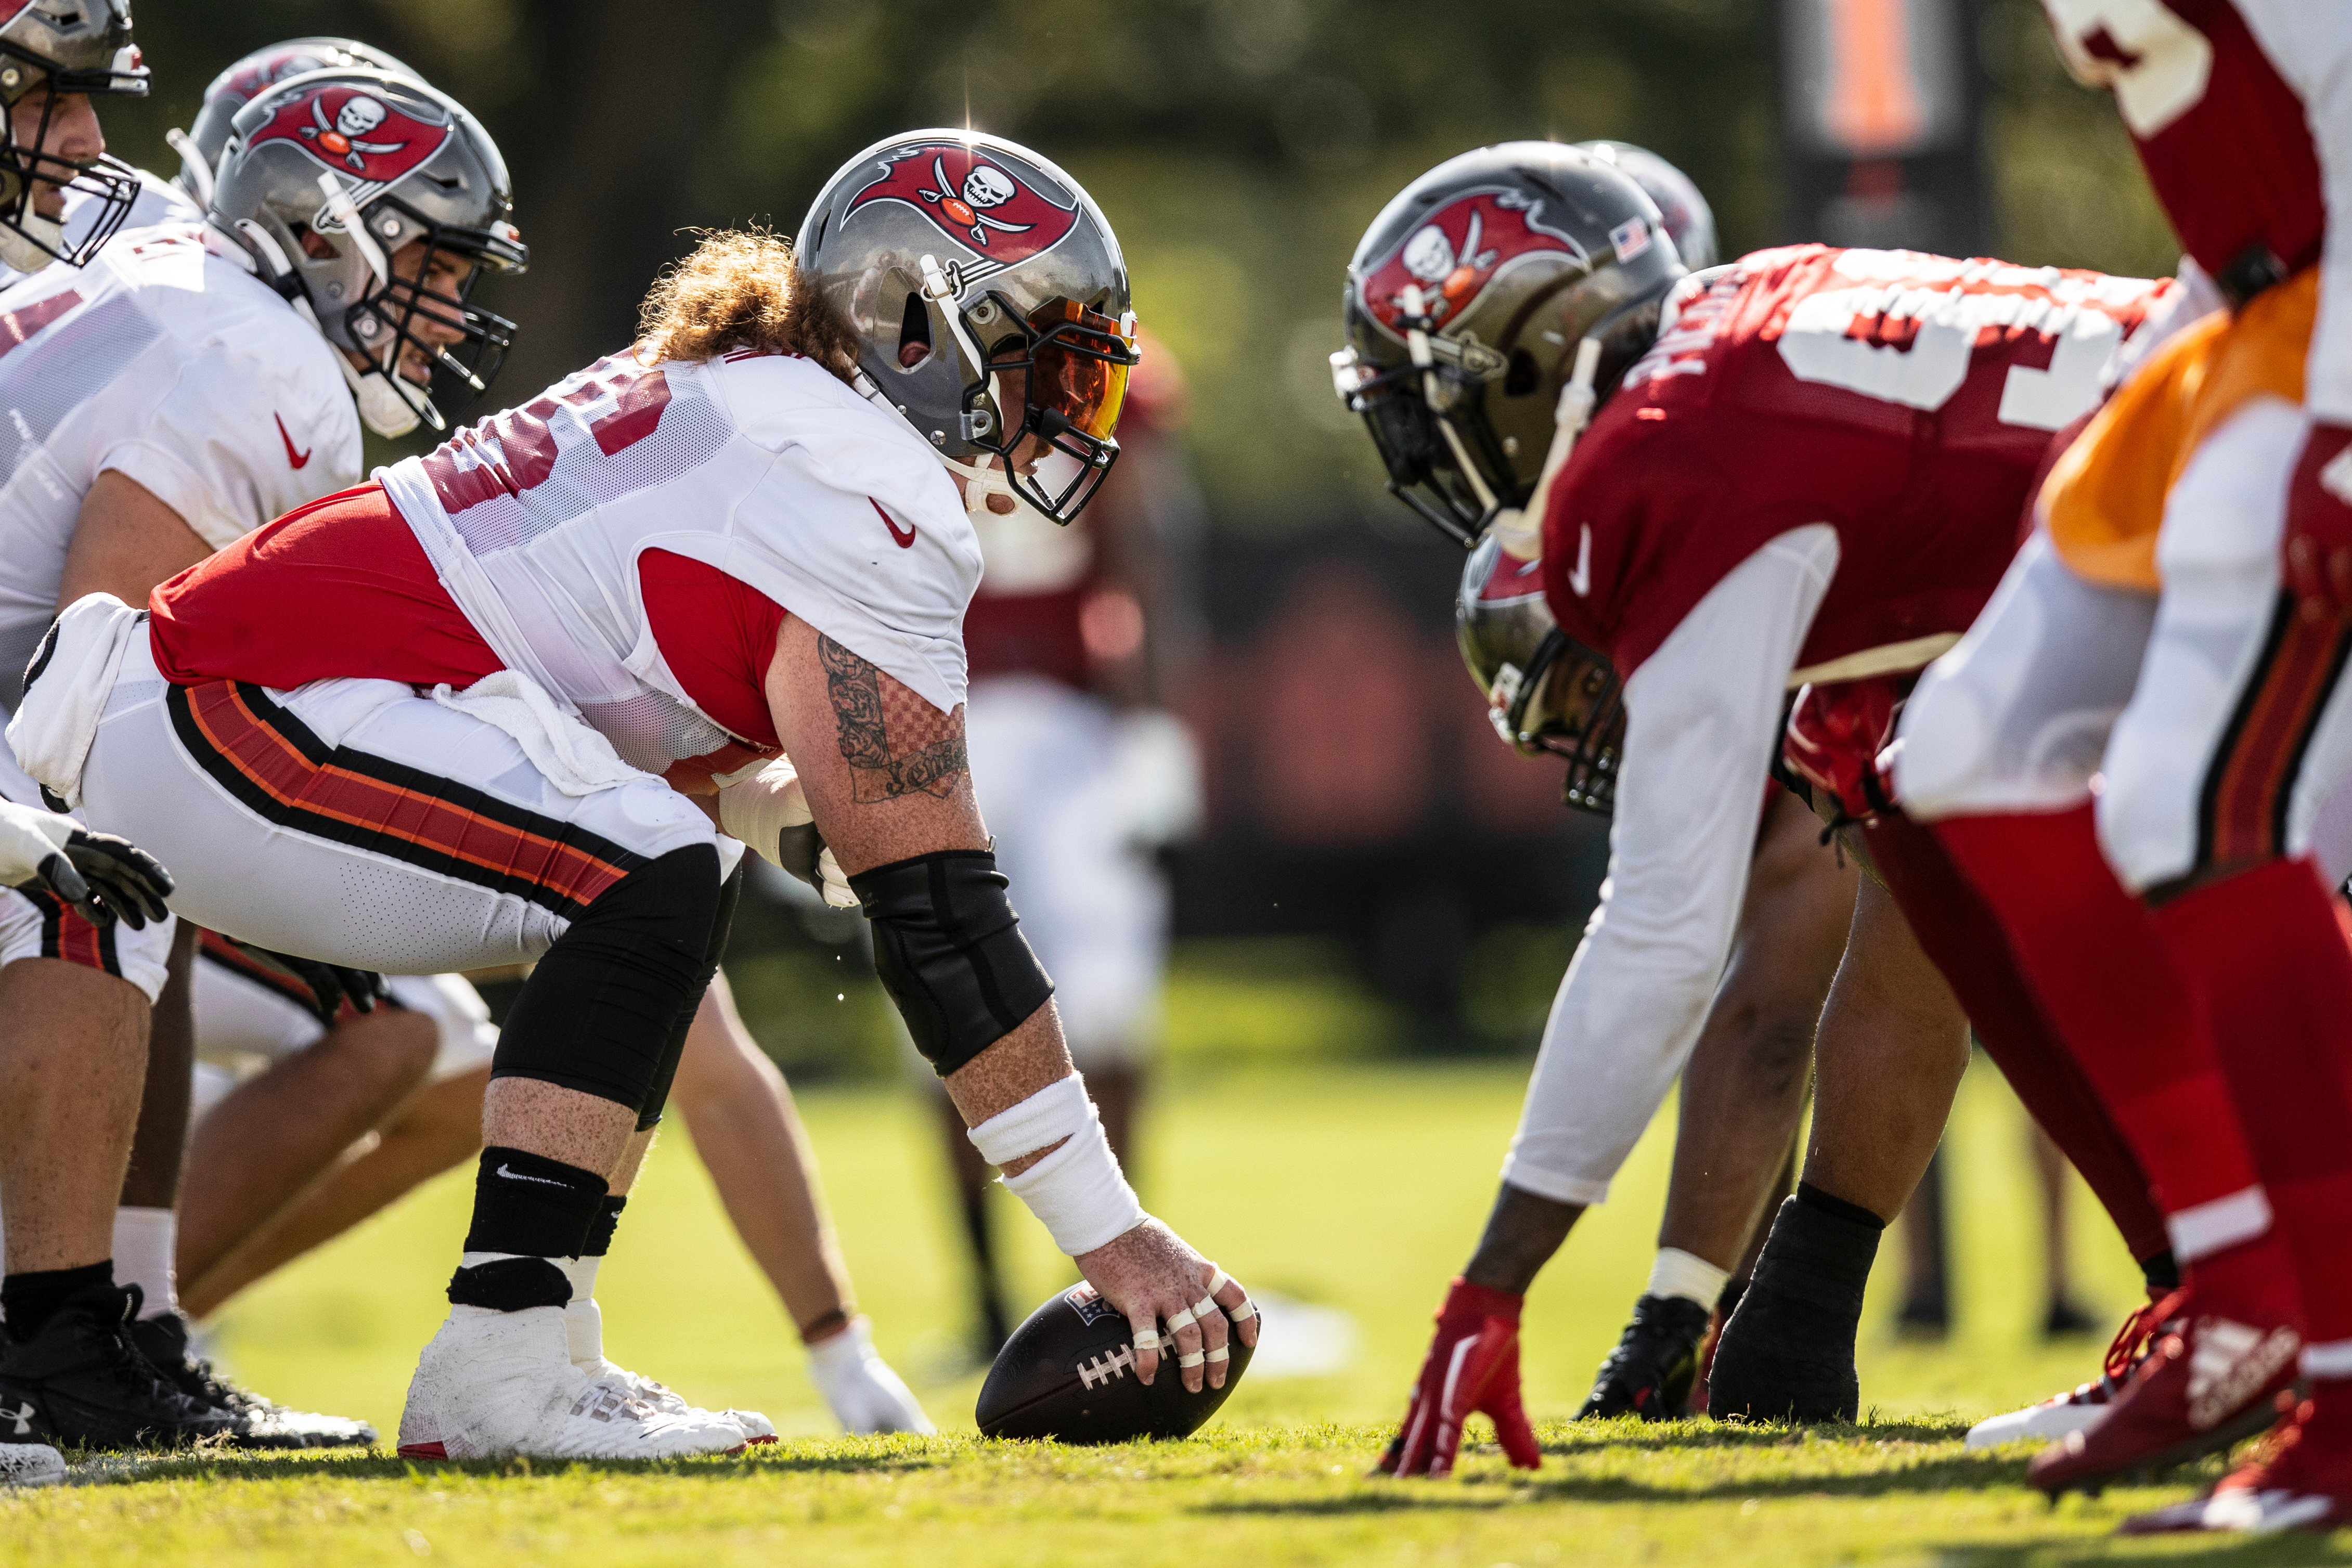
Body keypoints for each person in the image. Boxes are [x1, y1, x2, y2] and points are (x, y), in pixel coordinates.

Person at [14, 131, 1256, 1461]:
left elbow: (587, 685)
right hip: (230, 702)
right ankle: (502, 1352)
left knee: (659, 858)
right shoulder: (867, 487)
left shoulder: (757, 392)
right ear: (914, 331)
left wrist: (767, 806)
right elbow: (939, 920)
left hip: (209, 700)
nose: (1067, 405)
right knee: (644, 867)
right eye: (1043, 360)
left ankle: (530, 1340)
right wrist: (1112, 1235)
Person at [1329, 140, 2185, 1473]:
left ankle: (2266, 1284)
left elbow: (1663, 933)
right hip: (2225, 453)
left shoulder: (1670, 457)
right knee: (1940, 791)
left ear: (1525, 349)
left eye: (1425, 394)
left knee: (2191, 865)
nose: (1421, 438)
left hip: (2244, 495)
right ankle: (2213, 1284)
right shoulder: (1751, 314)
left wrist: (1492, 1284)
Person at [1882, 2, 2352, 1533]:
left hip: (2327, 338)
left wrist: (2334, 428)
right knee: (1965, 748)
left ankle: (2331, 1367)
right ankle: (2239, 1287)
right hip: (2247, 324)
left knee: (2192, 812)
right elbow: (2243, 190)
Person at [0, 48, 510, 1453]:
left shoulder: (197, 288)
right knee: (102, 852)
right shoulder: (262, 357)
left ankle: (124, 1328)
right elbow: (92, 670)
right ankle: (49, 1344)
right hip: (14, 722)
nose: (452, 308)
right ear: (330, 231)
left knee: (144, 863)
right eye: (437, 266)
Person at [177, 956, 933, 1435]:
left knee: (462, 1087)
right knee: (404, 1035)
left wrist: (838, 1346)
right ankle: (105, 1324)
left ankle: (160, 1322)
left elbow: (714, 1069)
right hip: (155, 843)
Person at [939, 330, 1203, 1352]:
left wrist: (1148, 728)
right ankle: (994, 1300)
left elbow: (1140, 550)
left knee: (1097, 1012)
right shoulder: (1089, 363)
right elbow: (1148, 560)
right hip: (958, 717)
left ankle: (1094, 1288)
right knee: (959, 1019)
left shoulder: (1099, 367)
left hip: (1035, 719)